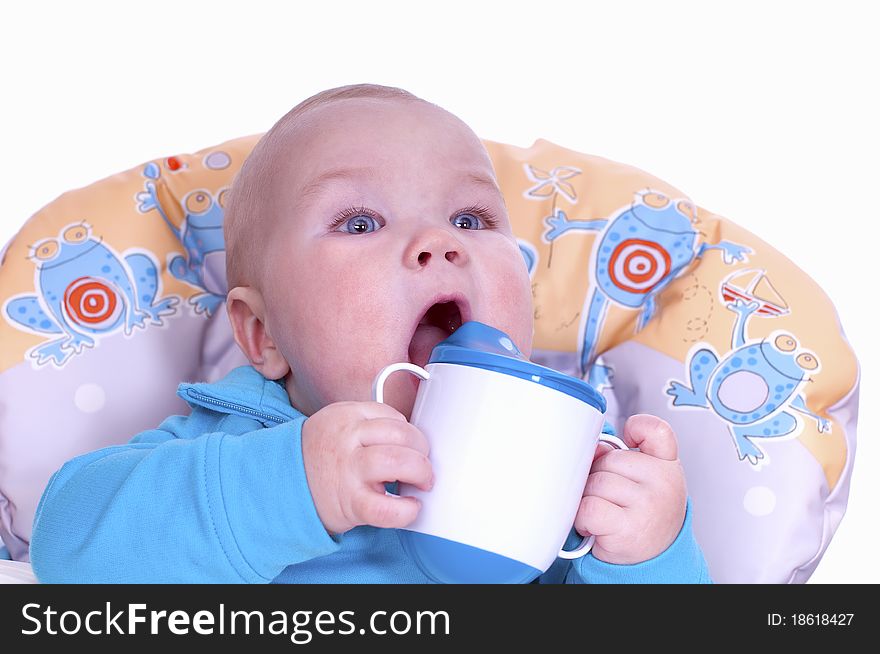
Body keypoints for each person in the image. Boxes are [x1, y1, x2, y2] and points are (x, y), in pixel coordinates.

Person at [29, 84, 711, 583]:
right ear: (262, 334)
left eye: (472, 219)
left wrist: (648, 553)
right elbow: (66, 548)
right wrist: (293, 482)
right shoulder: (232, 448)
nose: (439, 242)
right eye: (359, 223)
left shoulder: (560, 480)